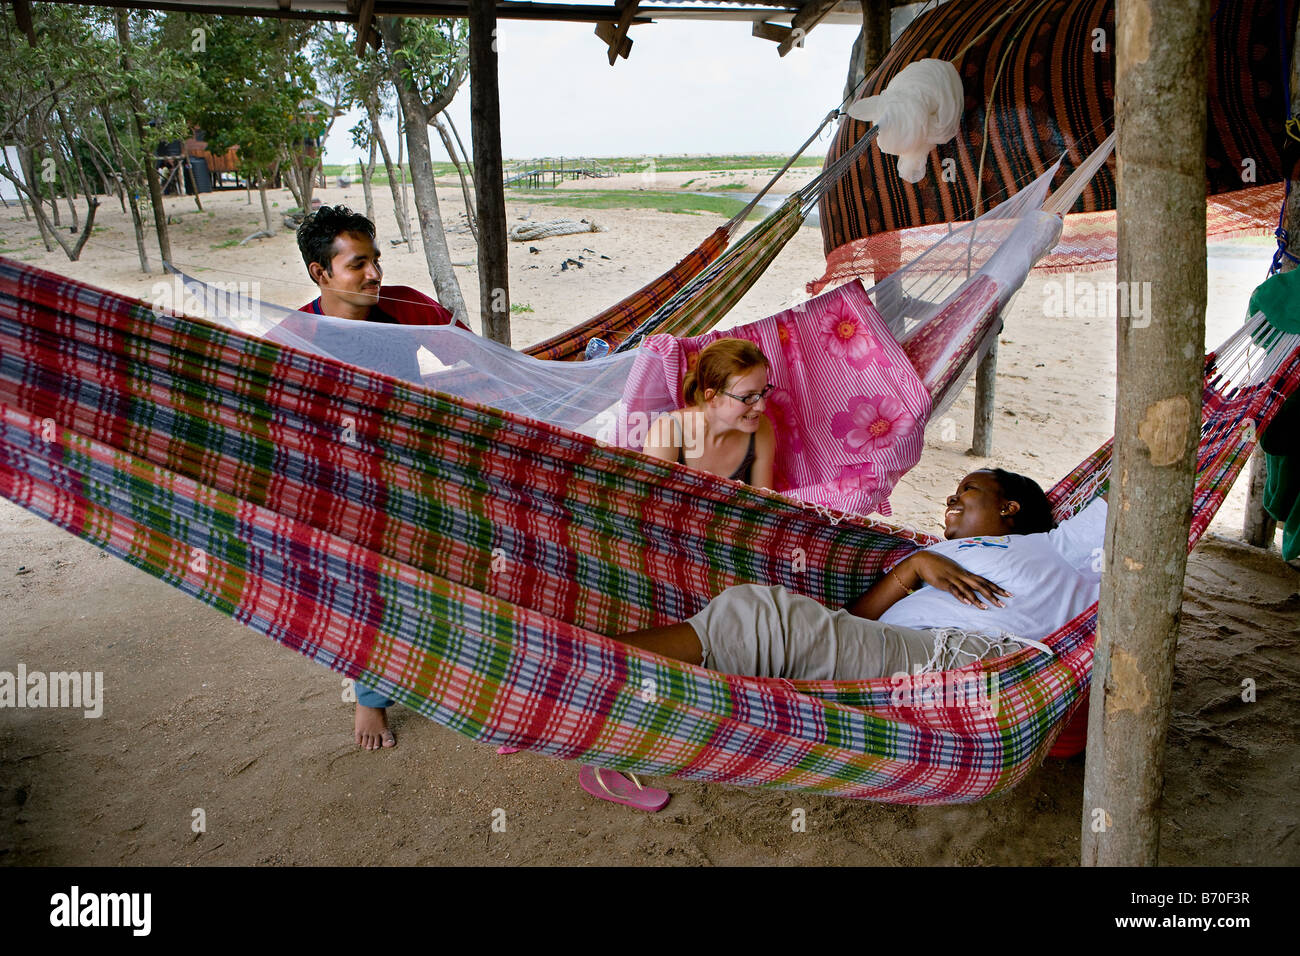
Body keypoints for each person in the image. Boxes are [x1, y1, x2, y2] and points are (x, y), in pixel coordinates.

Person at [615, 468, 1108, 682]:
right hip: (890, 649)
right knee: (752, 615)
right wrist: (914, 566)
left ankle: (590, 660)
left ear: (1011, 507)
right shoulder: (931, 555)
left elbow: (1129, 494)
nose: (952, 498)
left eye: (968, 489)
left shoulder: (1056, 547)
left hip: (964, 662)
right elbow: (852, 621)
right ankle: (596, 661)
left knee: (758, 618)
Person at [293, 205, 466, 751]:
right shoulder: (297, 336)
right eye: (357, 264)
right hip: (347, 480)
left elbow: (479, 361)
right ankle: (371, 699)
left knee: (448, 572)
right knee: (368, 586)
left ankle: (455, 671)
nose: (374, 275)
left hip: (421, 463)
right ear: (321, 274)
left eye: (377, 261)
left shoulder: (406, 307)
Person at [641, 338, 777, 488]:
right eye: (748, 397)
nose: (761, 407)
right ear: (712, 397)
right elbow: (653, 503)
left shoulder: (760, 430)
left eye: (763, 392)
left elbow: (764, 506)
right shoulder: (668, 432)